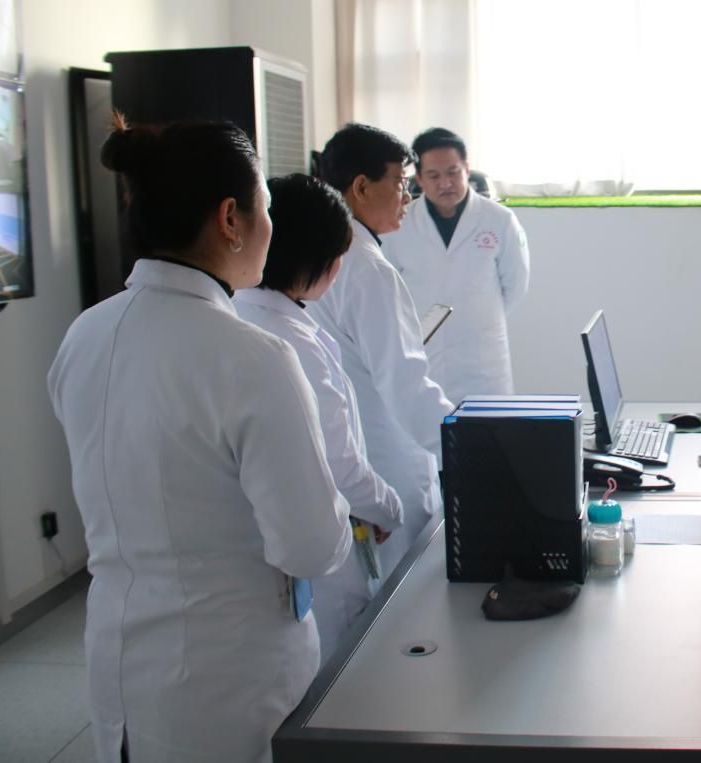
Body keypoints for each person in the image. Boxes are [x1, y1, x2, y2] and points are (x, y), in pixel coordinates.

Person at [47, 119, 353, 763]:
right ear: (230, 219)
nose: (270, 227)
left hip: (118, 654)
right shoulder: (252, 357)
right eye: (265, 209)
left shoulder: (86, 334)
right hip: (228, 674)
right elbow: (311, 545)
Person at [234, 173, 404, 661]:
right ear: (322, 260)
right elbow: (339, 462)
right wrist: (387, 508)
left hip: (265, 551)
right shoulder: (292, 343)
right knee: (338, 666)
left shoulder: (246, 314)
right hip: (320, 556)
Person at [309, 123, 453, 569]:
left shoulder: (327, 254)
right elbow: (406, 384)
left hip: (351, 455)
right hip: (387, 460)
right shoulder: (367, 267)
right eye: (400, 182)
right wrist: (469, 448)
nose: (408, 197)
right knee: (401, 593)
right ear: (360, 187)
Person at [381, 127, 531, 404]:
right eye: (434, 176)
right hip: (423, 356)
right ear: (419, 179)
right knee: (426, 425)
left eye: (453, 172)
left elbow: (515, 285)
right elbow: (387, 286)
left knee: (488, 428)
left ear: (467, 169)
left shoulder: (499, 220)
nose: (445, 183)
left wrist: (475, 318)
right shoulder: (400, 223)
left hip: (483, 362)